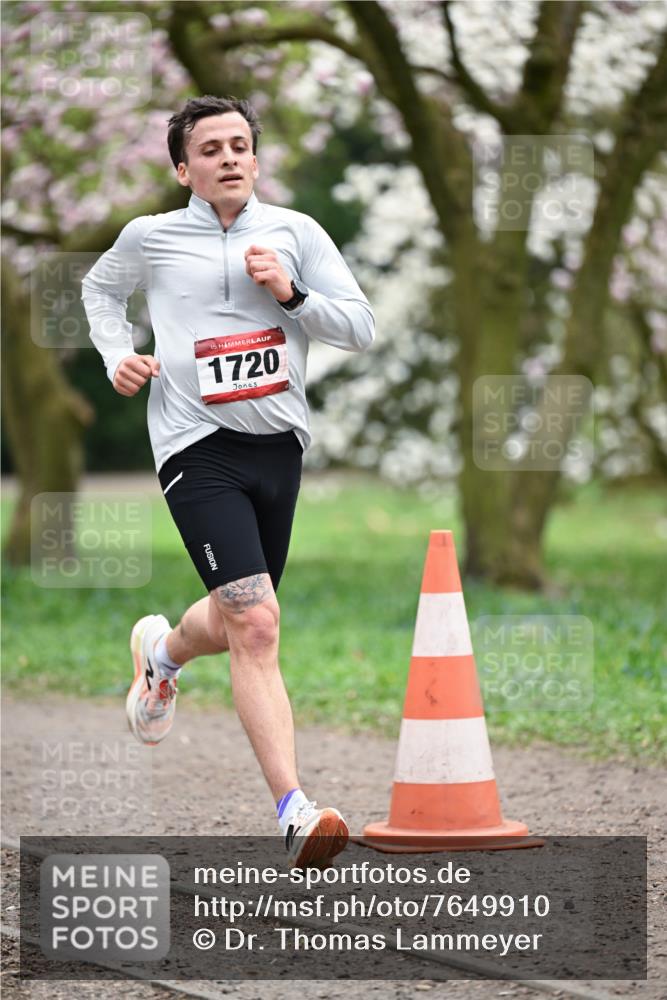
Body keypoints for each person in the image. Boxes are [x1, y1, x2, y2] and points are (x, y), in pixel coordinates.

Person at [81, 95, 375, 868]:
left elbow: (360, 327)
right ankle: (294, 811)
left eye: (240, 144)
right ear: (183, 168)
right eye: (210, 149)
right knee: (257, 623)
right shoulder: (151, 237)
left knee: (238, 616)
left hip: (277, 446)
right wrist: (118, 355)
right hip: (193, 445)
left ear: (256, 156)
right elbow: (100, 292)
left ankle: (162, 656)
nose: (229, 158)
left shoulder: (296, 233)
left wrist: (291, 295)